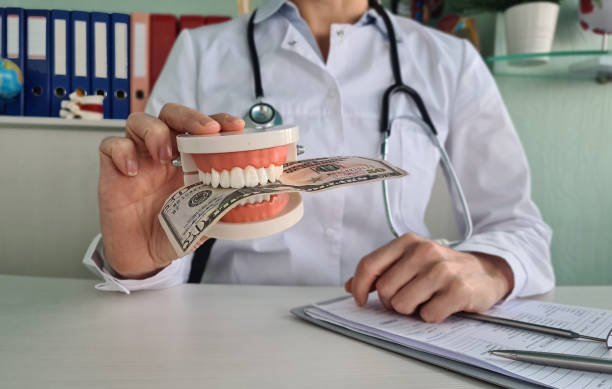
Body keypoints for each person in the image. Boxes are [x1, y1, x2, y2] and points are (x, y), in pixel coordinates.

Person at [84, 0, 554, 323]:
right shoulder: (202, 53)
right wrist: (144, 264)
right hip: (224, 334)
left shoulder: (450, 61)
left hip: (398, 332)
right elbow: (165, 226)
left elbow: (520, 230)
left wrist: (489, 268)